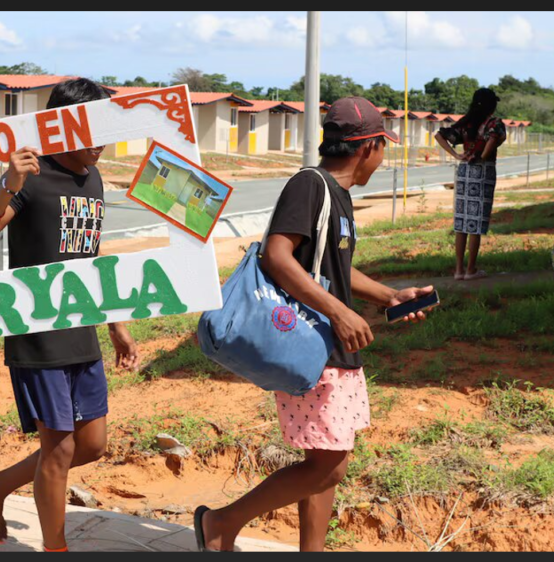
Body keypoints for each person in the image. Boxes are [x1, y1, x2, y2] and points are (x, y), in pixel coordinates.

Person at [193, 97, 433, 552]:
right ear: (368, 147)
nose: (382, 160)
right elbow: (277, 255)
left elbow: (334, 268)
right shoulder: (310, 185)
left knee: (325, 461)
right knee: (329, 466)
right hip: (314, 341)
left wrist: (389, 296)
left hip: (334, 345)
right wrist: (341, 312)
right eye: (383, 148)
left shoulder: (336, 196)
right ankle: (220, 524)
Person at [0, 78, 139, 552]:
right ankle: (55, 547)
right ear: (62, 126)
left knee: (91, 444)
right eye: (92, 130)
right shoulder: (30, 176)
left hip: (81, 325)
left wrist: (116, 322)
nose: (102, 142)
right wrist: (6, 186)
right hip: (36, 330)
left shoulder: (93, 177)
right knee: (58, 449)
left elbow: (92, 257)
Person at [435, 88, 507, 280]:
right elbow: (493, 138)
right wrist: (483, 156)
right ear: (492, 105)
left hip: (464, 171)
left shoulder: (466, 124)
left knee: (462, 222)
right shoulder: (494, 122)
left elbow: (439, 135)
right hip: (483, 172)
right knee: (476, 222)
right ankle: (471, 269)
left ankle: (458, 270)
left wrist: (456, 155)